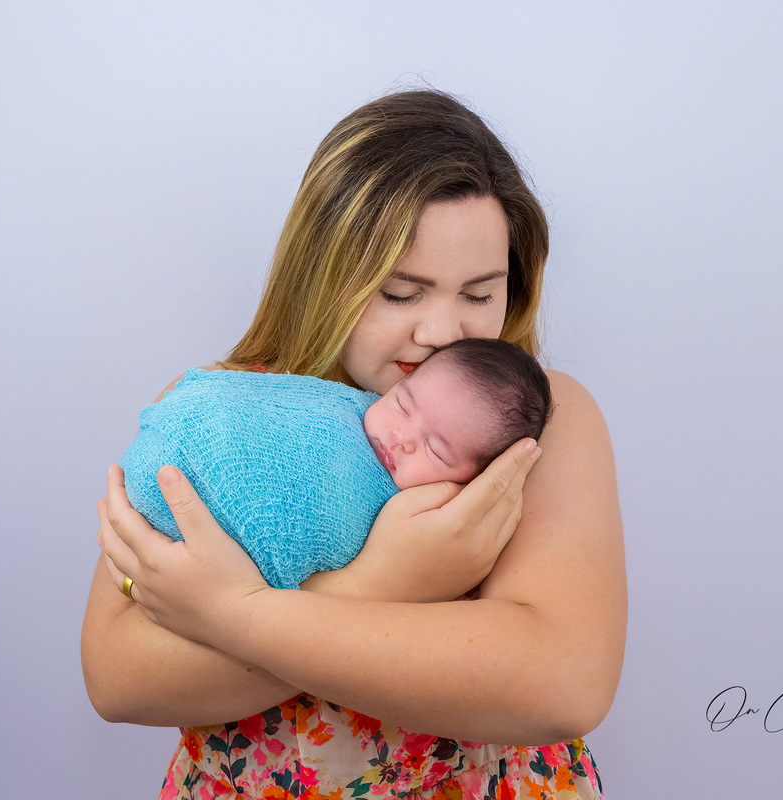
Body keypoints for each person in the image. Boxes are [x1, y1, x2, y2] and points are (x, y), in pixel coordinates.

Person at [82, 89, 626, 800]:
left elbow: (562, 681)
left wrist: (231, 614)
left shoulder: (538, 427)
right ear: (325, 272)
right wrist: (383, 582)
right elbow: (117, 677)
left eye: (479, 293)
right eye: (402, 293)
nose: (443, 332)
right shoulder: (221, 414)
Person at [119, 338, 553, 589]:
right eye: (402, 404)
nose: (400, 438)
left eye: (436, 451)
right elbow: (113, 686)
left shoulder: (458, 523)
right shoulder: (316, 399)